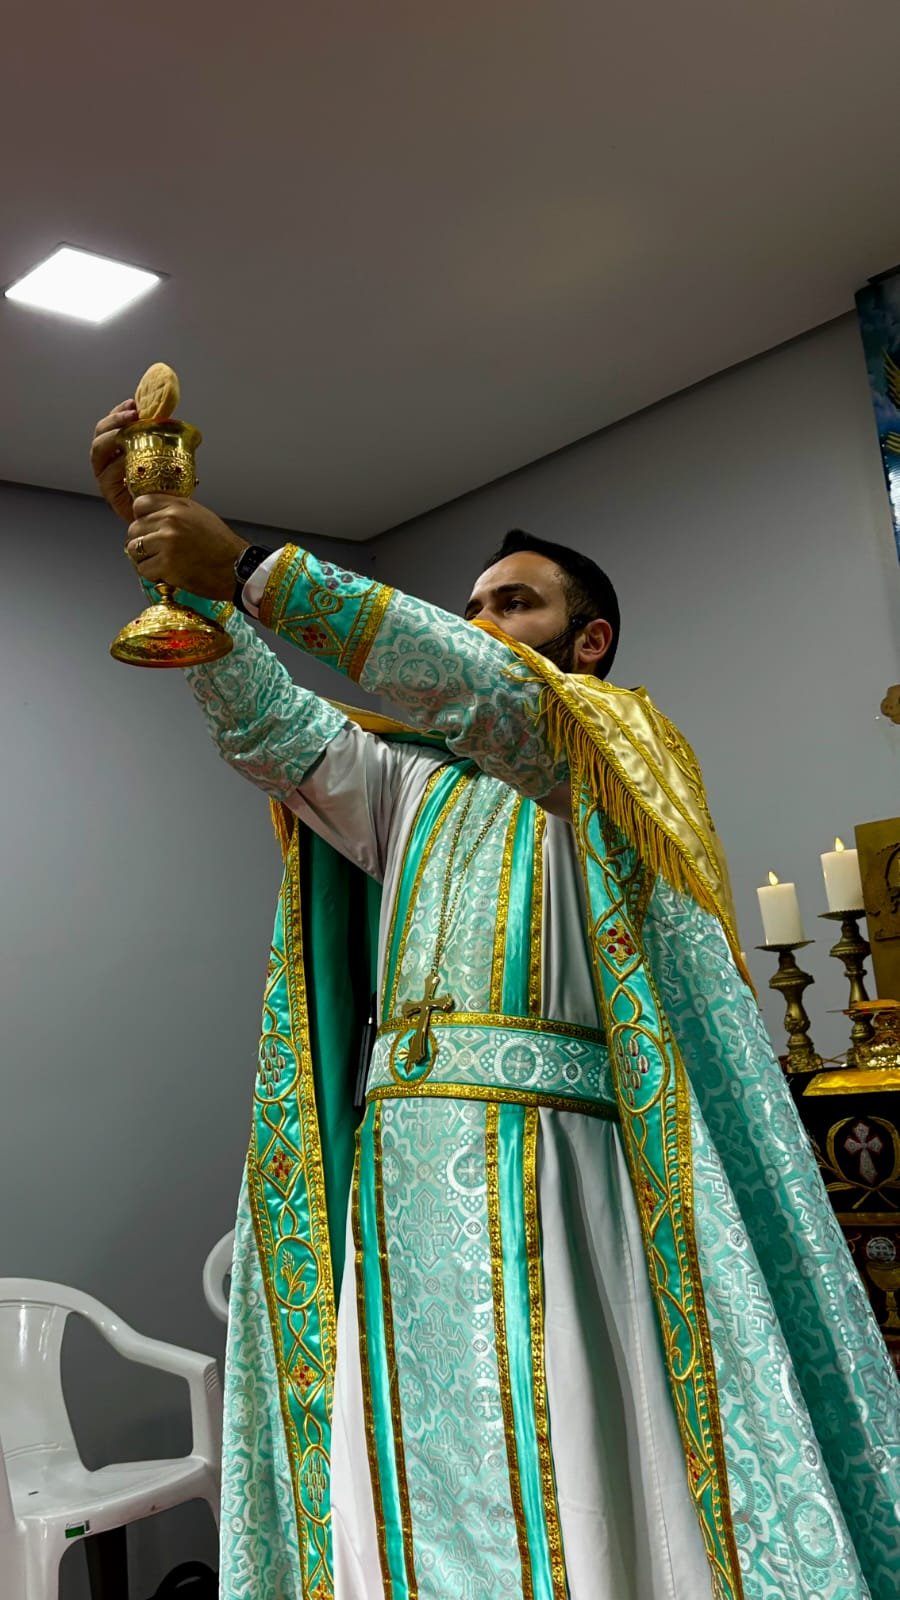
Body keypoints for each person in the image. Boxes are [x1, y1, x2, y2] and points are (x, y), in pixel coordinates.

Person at [92, 400, 899, 1600]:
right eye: (472, 603)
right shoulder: (417, 789)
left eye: (513, 601)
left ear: (592, 641)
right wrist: (191, 583)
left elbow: (490, 694)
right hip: (402, 1168)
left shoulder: (618, 754)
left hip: (564, 1172)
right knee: (401, 1472)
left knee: (575, 1463)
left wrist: (256, 570)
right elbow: (272, 729)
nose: (482, 622)